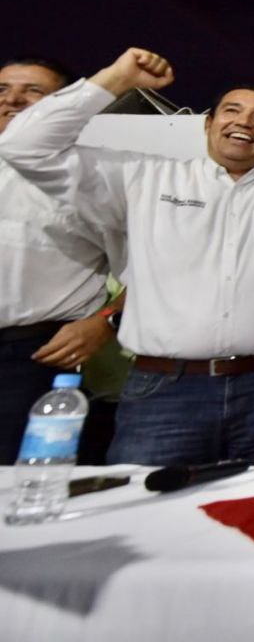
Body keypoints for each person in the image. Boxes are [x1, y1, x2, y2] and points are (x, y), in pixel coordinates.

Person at [0, 29, 254, 465]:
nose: (244, 122)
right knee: (145, 504)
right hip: (165, 391)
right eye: (231, 111)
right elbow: (23, 146)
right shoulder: (143, 178)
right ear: (207, 124)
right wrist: (116, 78)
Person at [0, 57, 125, 462]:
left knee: (20, 480)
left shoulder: (93, 178)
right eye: (2, 89)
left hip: (33, 357)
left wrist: (105, 322)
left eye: (33, 91)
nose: (13, 100)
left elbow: (157, 268)